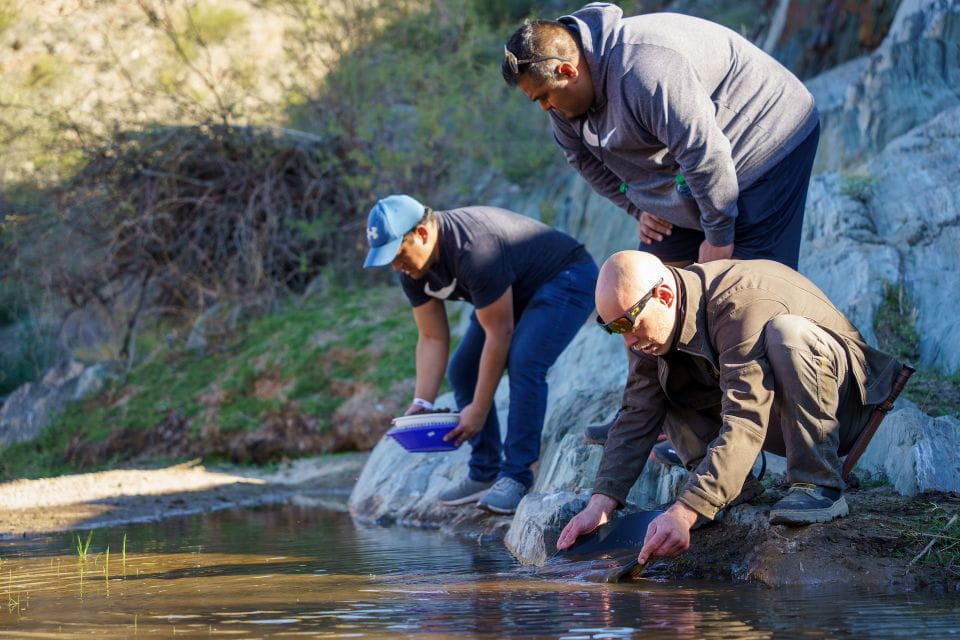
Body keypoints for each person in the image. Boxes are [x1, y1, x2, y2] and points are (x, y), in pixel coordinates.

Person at [502, 2, 821, 446]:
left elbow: (705, 153)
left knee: (742, 293)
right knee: (641, 295)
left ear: (568, 71)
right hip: (697, 173)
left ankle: (752, 428)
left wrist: (718, 236)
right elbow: (585, 163)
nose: (543, 108)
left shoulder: (645, 67)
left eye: (542, 96)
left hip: (766, 140)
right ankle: (655, 417)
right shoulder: (564, 107)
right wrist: (637, 206)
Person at [556, 251, 903, 565]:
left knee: (787, 333)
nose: (628, 339)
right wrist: (600, 504)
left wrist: (686, 510)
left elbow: (745, 417)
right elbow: (636, 412)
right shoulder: (649, 328)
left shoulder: (738, 304)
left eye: (628, 323)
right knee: (662, 375)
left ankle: (819, 483)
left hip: (844, 411)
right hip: (781, 413)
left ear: (664, 295)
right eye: (614, 328)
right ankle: (731, 490)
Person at [363, 195, 598, 515]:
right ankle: (484, 471)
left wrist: (478, 407)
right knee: (462, 371)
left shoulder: (474, 249)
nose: (395, 265)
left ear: (422, 233)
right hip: (513, 289)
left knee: (525, 361)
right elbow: (432, 336)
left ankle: (516, 475)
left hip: (567, 276)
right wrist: (422, 402)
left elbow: (499, 334)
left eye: (397, 253)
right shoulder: (412, 271)